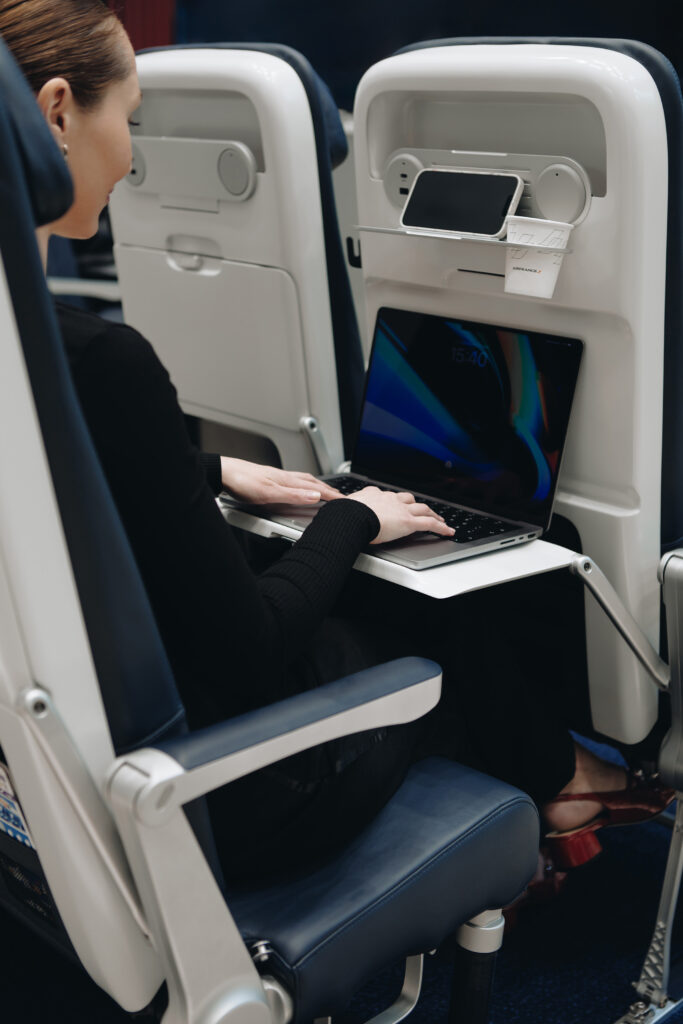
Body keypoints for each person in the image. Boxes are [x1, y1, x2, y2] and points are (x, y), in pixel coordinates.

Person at [0, 0, 672, 882]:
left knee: (363, 576)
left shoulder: (39, 350)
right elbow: (250, 653)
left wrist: (208, 468)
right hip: (217, 799)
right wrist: (354, 517)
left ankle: (553, 790)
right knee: (421, 619)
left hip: (61, 768)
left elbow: (60, 470)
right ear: (55, 114)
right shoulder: (109, 366)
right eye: (128, 122)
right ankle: (556, 791)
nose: (133, 154)